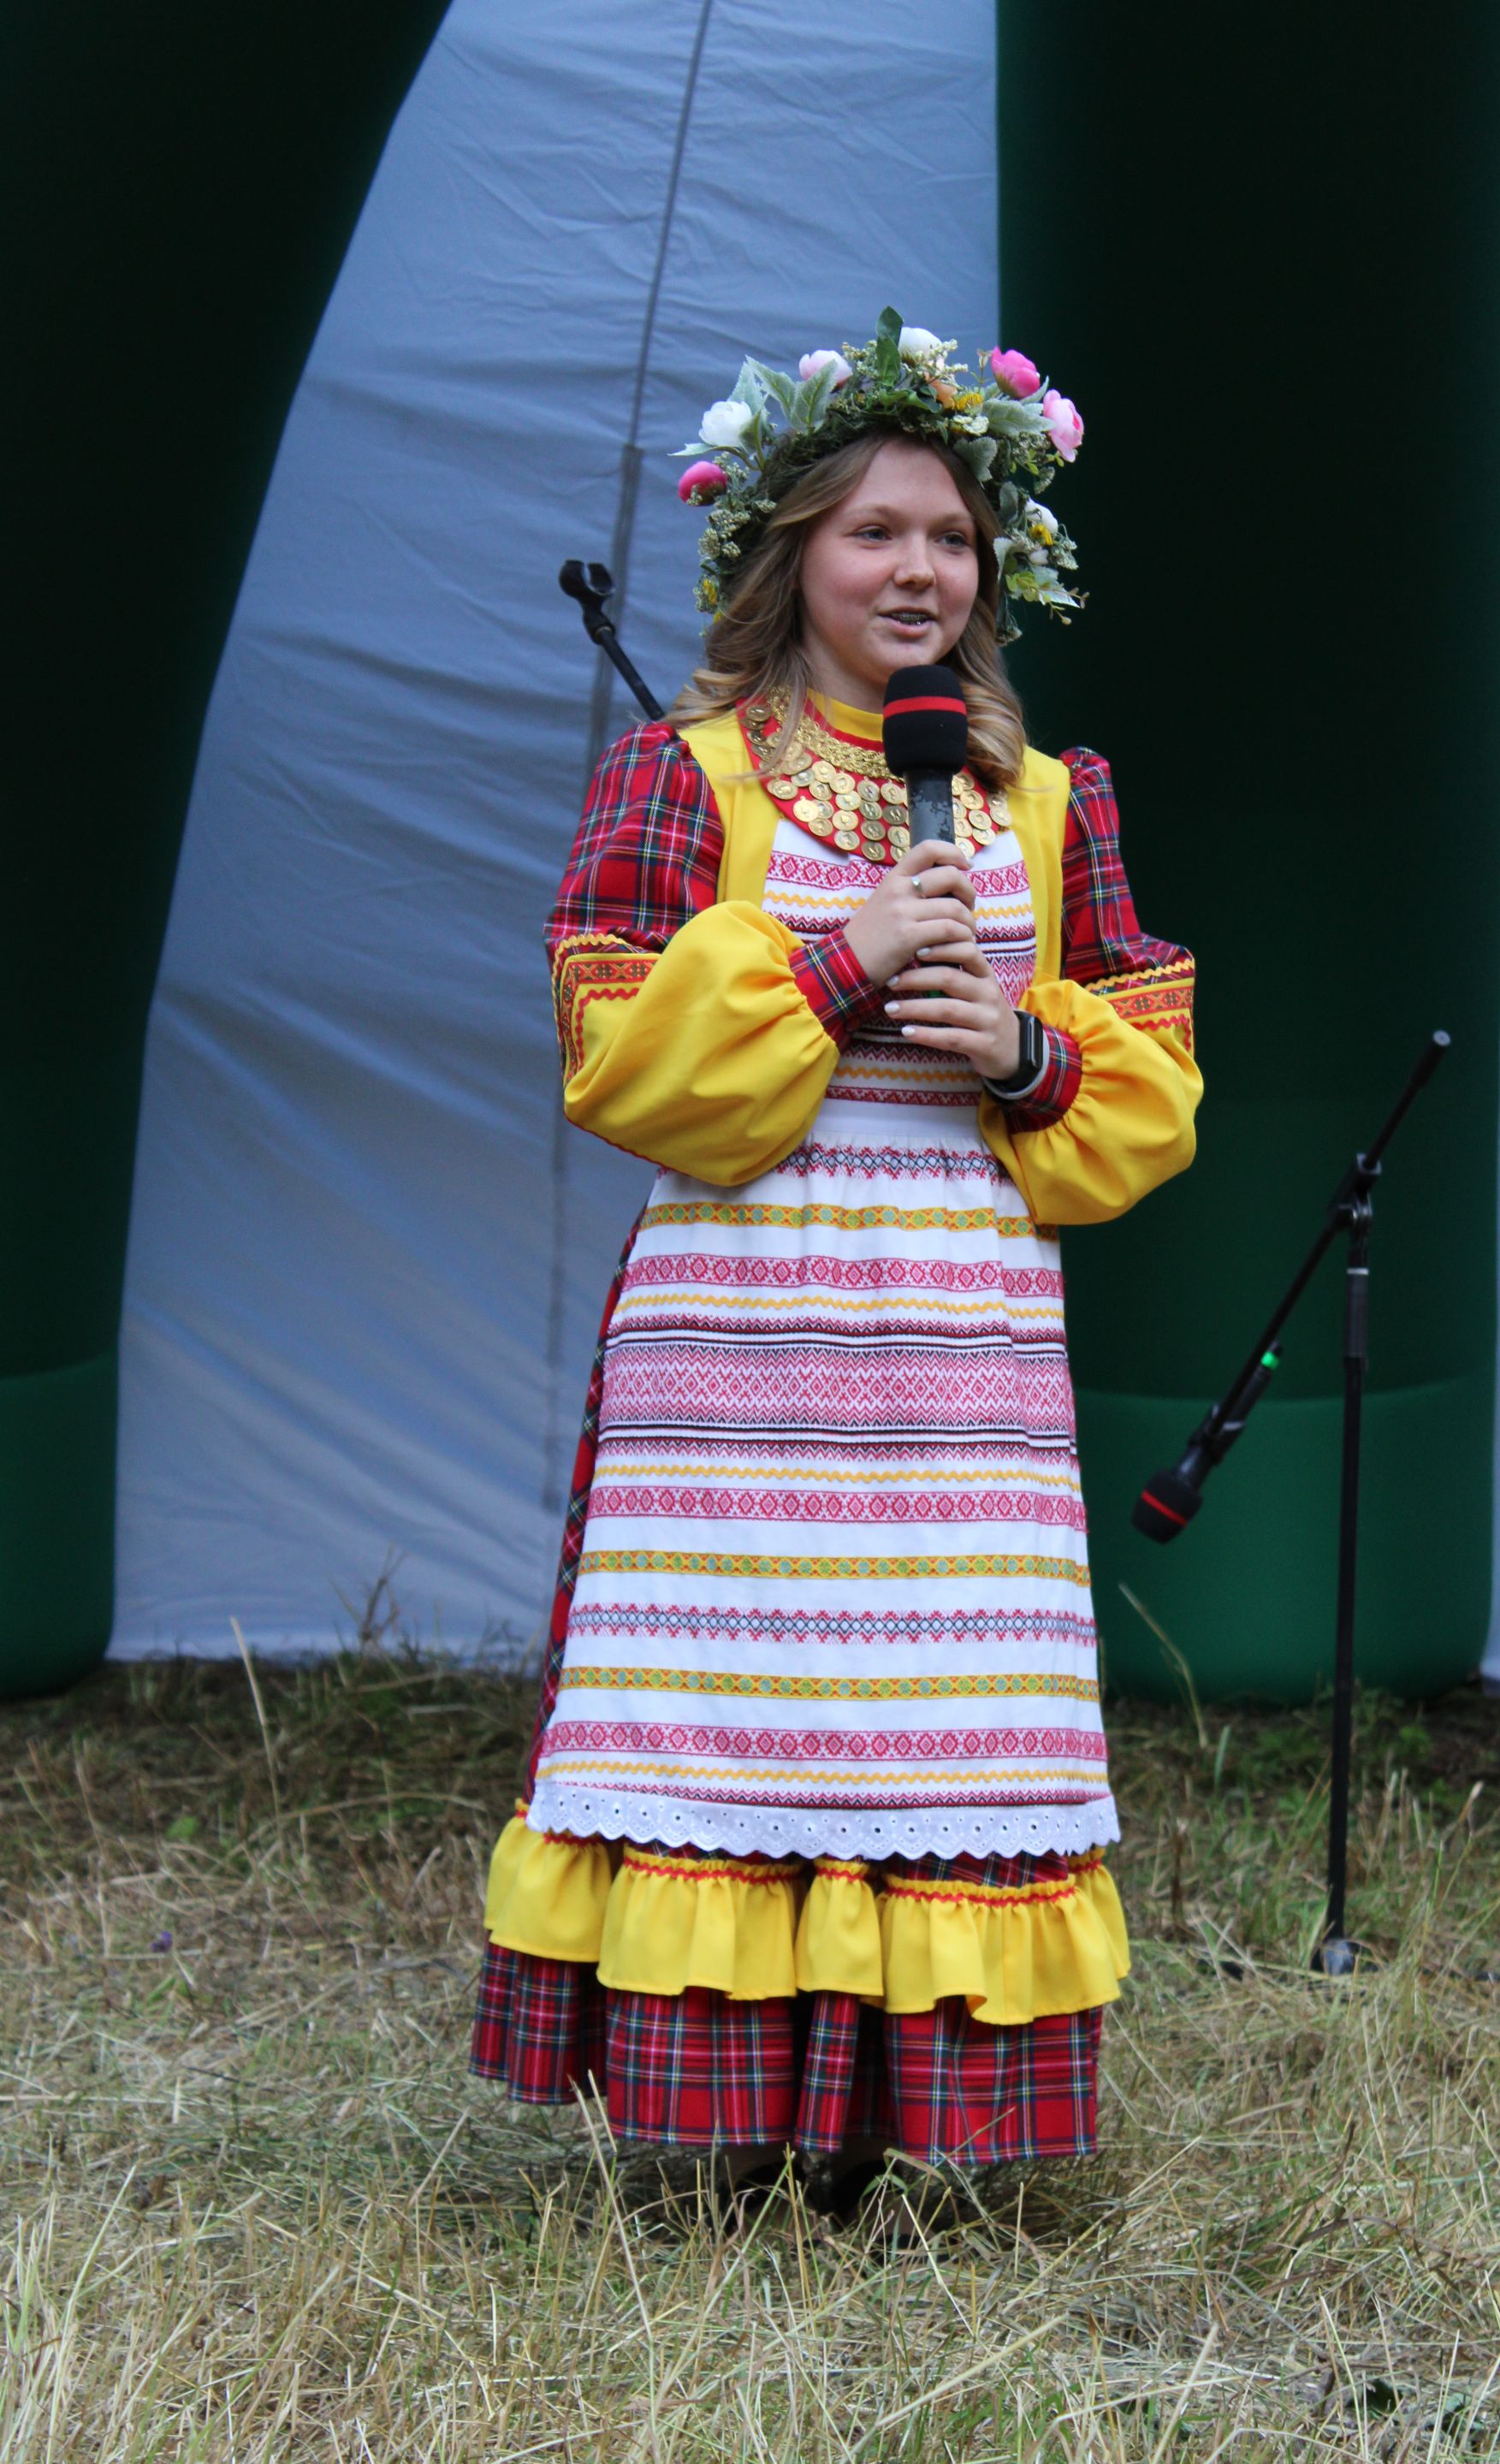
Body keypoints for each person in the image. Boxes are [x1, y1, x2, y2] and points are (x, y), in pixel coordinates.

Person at [471, 311, 1201, 2216]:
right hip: (742, 1343)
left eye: (951, 538)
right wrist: (838, 957)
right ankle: (710, 2151)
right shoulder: (682, 773)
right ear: (791, 547)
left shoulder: (1048, 799)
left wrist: (1024, 1051)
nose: (916, 571)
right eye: (876, 531)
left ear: (994, 570)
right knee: (735, 1710)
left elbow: (1155, 1082)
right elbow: (623, 1064)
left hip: (959, 1353)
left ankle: (906, 2148)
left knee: (936, 1720)